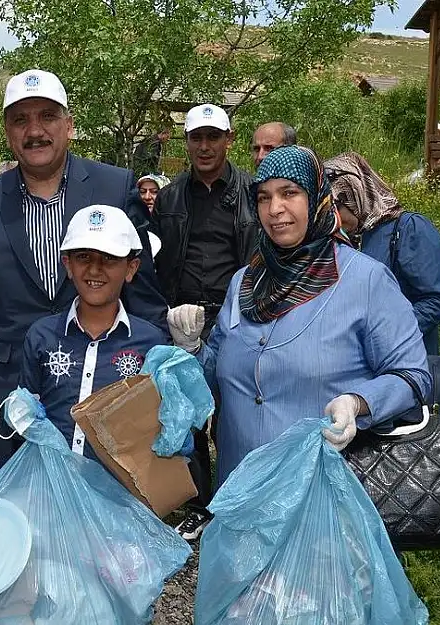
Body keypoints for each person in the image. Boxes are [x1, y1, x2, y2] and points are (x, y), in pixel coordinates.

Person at [0, 69, 168, 471]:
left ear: (68, 125)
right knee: (23, 507)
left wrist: (161, 373)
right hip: (16, 387)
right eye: (21, 119)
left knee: (105, 502)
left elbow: (143, 292)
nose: (35, 131)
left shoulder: (114, 187)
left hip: (105, 383)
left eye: (47, 116)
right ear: (7, 131)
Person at [167, 144, 431, 495]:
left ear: (317, 198)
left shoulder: (365, 281)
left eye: (289, 193)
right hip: (239, 493)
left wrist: (358, 402)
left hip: (321, 501)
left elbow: (413, 377)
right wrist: (193, 349)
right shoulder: (244, 283)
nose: (275, 209)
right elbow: (216, 378)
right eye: (263, 197)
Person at [150, 103, 257, 539]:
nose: (205, 146)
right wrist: (165, 312)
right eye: (197, 137)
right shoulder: (172, 195)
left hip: (237, 318)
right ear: (187, 142)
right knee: (187, 413)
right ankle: (198, 504)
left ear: (229, 139)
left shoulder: (252, 192)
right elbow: (157, 257)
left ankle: (237, 501)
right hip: (185, 319)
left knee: (235, 414)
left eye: (214, 137)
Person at [21, 205, 166, 461]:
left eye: (109, 258)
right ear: (68, 264)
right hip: (51, 482)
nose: (95, 269)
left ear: (131, 268)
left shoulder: (150, 343)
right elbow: (27, 412)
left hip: (118, 492)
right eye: (84, 257)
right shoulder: (42, 335)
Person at [325, 152, 440, 356]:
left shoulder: (409, 230)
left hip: (404, 360)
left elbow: (437, 300)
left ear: (355, 196)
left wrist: (388, 333)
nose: (332, 218)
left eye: (336, 207)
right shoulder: (341, 238)